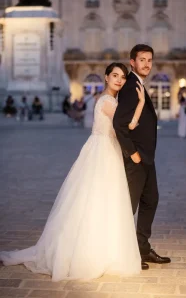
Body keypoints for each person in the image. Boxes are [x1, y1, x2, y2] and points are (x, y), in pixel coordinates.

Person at [0, 62, 145, 281]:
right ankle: (92, 252)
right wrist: (141, 102)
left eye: (122, 77)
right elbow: (128, 127)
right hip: (104, 152)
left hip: (103, 150)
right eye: (114, 75)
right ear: (106, 77)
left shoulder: (110, 100)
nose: (119, 80)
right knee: (101, 199)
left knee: (99, 200)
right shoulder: (107, 101)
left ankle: (101, 247)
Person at [113, 44, 171, 271]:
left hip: (147, 158)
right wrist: (133, 153)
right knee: (129, 206)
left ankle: (142, 248)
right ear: (132, 63)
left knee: (151, 200)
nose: (147, 64)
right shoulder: (129, 87)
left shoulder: (138, 84)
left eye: (150, 60)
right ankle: (125, 253)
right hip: (137, 158)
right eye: (142, 60)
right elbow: (119, 124)